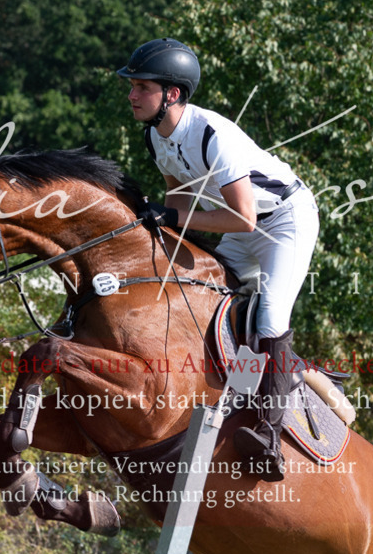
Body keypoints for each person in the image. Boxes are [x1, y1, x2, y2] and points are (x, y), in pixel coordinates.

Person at [117, 38, 319, 483]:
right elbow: (178, 196)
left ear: (172, 94)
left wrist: (172, 216)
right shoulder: (155, 135)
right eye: (132, 86)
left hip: (283, 222)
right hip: (239, 224)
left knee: (269, 315)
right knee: (202, 292)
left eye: (141, 86)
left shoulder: (211, 134)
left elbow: (244, 218)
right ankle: (223, 386)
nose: (132, 94)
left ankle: (269, 433)